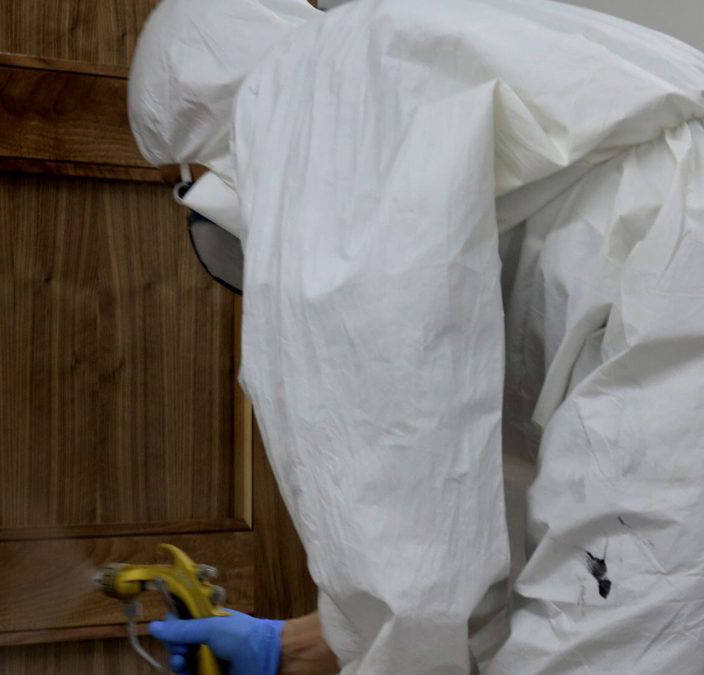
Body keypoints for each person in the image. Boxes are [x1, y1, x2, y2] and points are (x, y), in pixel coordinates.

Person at [127, 0, 704, 673]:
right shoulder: (393, 64)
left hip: (668, 302)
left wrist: (381, 650)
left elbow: (398, 481)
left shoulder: (305, 107)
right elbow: (490, 482)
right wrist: (293, 647)